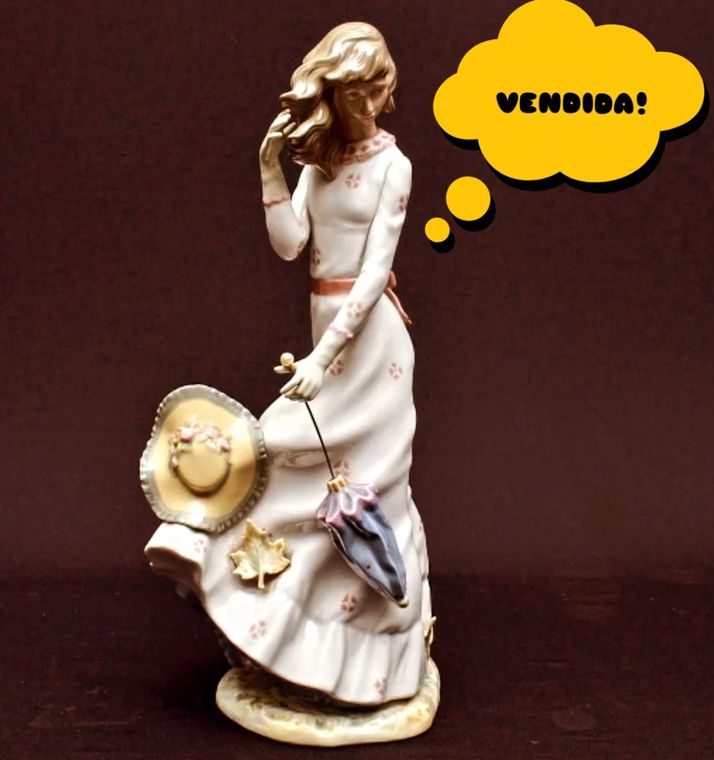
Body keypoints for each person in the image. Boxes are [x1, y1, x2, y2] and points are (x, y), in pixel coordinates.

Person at [145, 21, 432, 707]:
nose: (366, 103)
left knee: (355, 479)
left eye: (375, 90)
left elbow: (374, 275)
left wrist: (322, 359)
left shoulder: (394, 165)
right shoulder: (320, 163)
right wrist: (270, 166)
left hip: (370, 347)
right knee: (291, 461)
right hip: (325, 332)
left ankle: (376, 647)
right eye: (353, 91)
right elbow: (289, 244)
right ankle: (242, 591)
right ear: (330, 91)